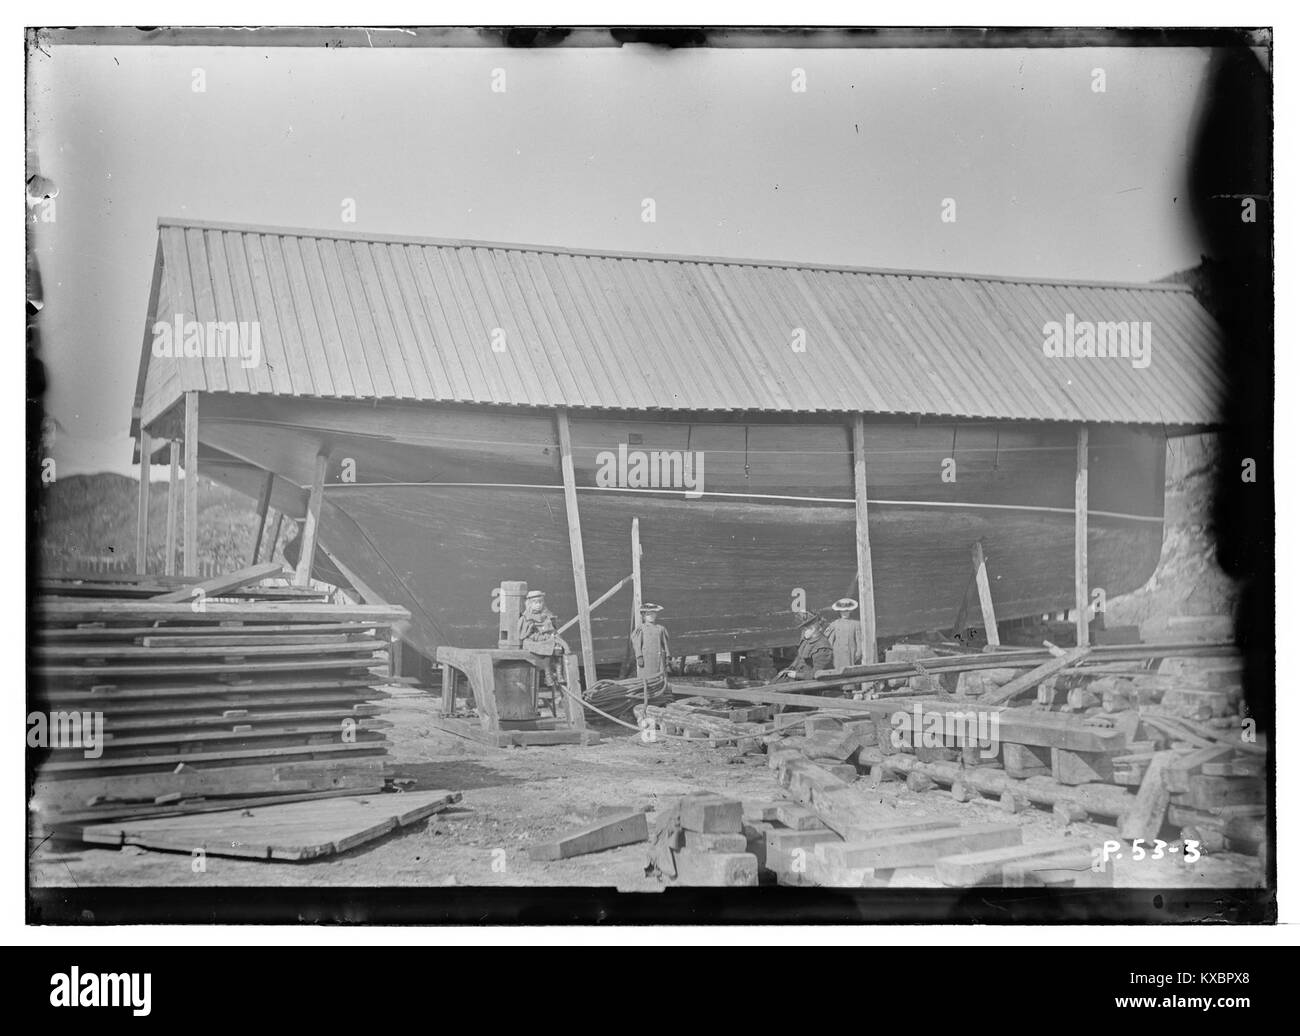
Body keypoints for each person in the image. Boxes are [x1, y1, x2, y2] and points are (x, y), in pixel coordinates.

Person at [518, 589, 570, 692]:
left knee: (558, 647)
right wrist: (540, 637)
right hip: (534, 640)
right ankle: (548, 675)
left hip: (548, 638)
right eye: (535, 603)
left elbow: (553, 629)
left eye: (540, 602)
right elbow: (526, 634)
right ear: (530, 604)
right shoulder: (526, 617)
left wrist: (553, 635)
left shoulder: (547, 614)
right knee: (546, 648)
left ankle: (559, 674)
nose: (538, 605)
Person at [780, 612, 834, 680]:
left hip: (812, 684)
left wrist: (796, 675)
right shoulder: (806, 640)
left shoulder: (823, 648)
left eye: (805, 629)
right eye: (803, 629)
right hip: (800, 677)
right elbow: (799, 657)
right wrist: (790, 668)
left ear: (813, 629)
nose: (803, 632)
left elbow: (818, 674)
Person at [630, 603, 670, 680]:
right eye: (648, 614)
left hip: (659, 659)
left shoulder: (661, 629)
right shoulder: (641, 629)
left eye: (653, 613)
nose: (651, 616)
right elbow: (637, 644)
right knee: (647, 678)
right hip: (647, 659)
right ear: (644, 616)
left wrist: (667, 656)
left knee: (660, 678)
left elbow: (665, 644)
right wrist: (639, 656)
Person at [826, 598, 864, 672]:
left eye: (847, 611)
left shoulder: (856, 624)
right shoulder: (834, 624)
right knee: (838, 672)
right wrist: (830, 653)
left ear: (850, 611)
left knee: (850, 672)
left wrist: (858, 652)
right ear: (839, 611)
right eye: (843, 611)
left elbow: (859, 640)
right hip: (838, 654)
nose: (845, 613)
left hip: (850, 652)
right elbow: (830, 641)